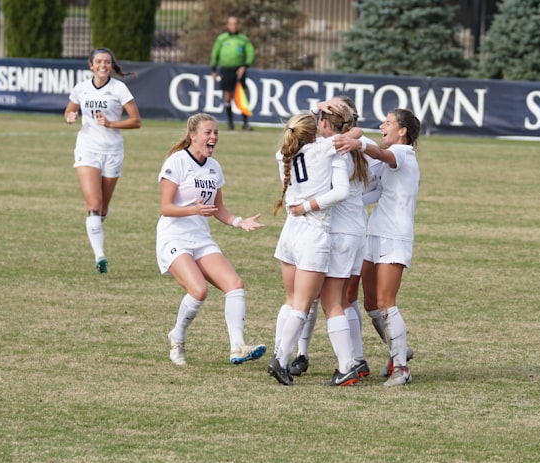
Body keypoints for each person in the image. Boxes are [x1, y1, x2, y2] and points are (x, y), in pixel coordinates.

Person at [157, 113, 267, 367]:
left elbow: (218, 208)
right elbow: (166, 207)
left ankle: (237, 347)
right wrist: (193, 210)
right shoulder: (177, 161)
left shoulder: (214, 166)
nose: (213, 137)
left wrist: (240, 222)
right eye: (208, 132)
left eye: (216, 132)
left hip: (200, 238)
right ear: (193, 135)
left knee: (235, 284)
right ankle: (177, 337)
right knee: (199, 290)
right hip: (173, 236)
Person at [335, 108, 421, 386]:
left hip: (394, 236)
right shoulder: (389, 159)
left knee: (385, 303)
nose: (382, 126)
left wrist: (360, 144)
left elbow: (384, 155)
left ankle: (402, 369)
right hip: (375, 233)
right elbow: (374, 193)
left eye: (388, 122)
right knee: (370, 302)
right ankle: (399, 351)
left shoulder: (403, 153)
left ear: (403, 131)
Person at [268, 110, 350, 386]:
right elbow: (341, 192)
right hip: (313, 232)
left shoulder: (283, 155)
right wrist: (309, 205)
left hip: (290, 231)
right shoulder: (328, 150)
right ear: (315, 131)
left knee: (291, 300)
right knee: (303, 305)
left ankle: (280, 353)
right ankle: (280, 359)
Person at [64, 47, 141, 274]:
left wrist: (111, 124)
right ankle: (100, 257)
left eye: (107, 62)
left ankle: (95, 224)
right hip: (88, 149)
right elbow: (69, 111)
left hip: (113, 151)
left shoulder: (119, 89)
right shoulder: (81, 88)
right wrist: (70, 117)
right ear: (91, 65)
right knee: (94, 206)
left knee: (103, 207)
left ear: (111, 66)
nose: (103, 65)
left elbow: (136, 121)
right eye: (98, 62)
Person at [210, 16, 255, 131]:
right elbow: (215, 53)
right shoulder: (222, 39)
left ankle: (245, 123)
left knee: (242, 95)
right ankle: (230, 123)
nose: (233, 26)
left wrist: (244, 66)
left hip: (239, 70)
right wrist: (213, 70)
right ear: (227, 25)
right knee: (228, 96)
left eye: (235, 24)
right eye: (231, 24)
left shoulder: (243, 39)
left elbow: (250, 53)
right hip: (226, 70)